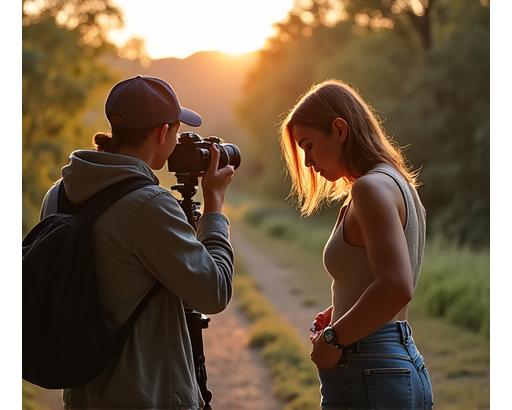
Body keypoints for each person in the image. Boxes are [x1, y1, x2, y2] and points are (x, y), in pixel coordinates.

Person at [39, 75, 235, 410]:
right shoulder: (148, 205)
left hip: (84, 395)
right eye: (176, 132)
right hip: (149, 395)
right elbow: (214, 291)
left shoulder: (58, 195)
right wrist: (214, 207)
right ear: (162, 132)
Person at [280, 80, 434, 409]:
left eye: (308, 145)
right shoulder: (397, 183)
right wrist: (340, 314)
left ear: (339, 129)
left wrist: (334, 338)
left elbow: (395, 286)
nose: (308, 162)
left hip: (371, 367)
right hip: (394, 364)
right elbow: (376, 277)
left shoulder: (370, 189)